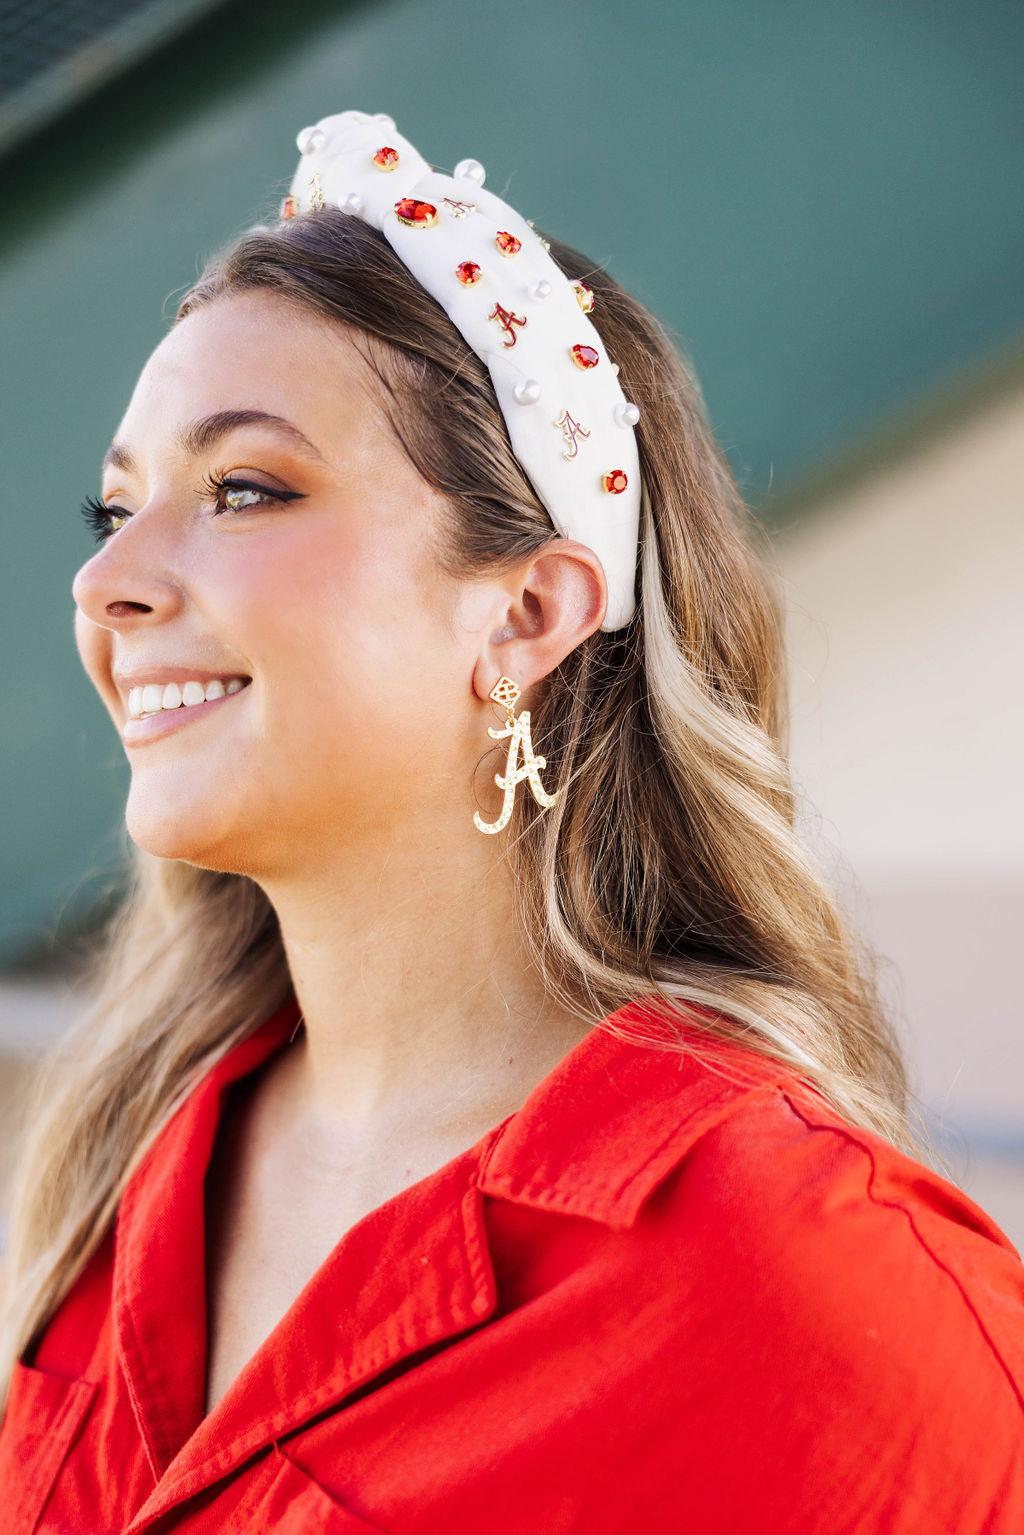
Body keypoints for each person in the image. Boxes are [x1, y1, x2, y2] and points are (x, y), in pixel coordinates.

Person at [0, 109, 1021, 1532]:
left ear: (530, 610)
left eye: (243, 488)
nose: (105, 581)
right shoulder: (131, 1158)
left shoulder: (836, 1300)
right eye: (109, 508)